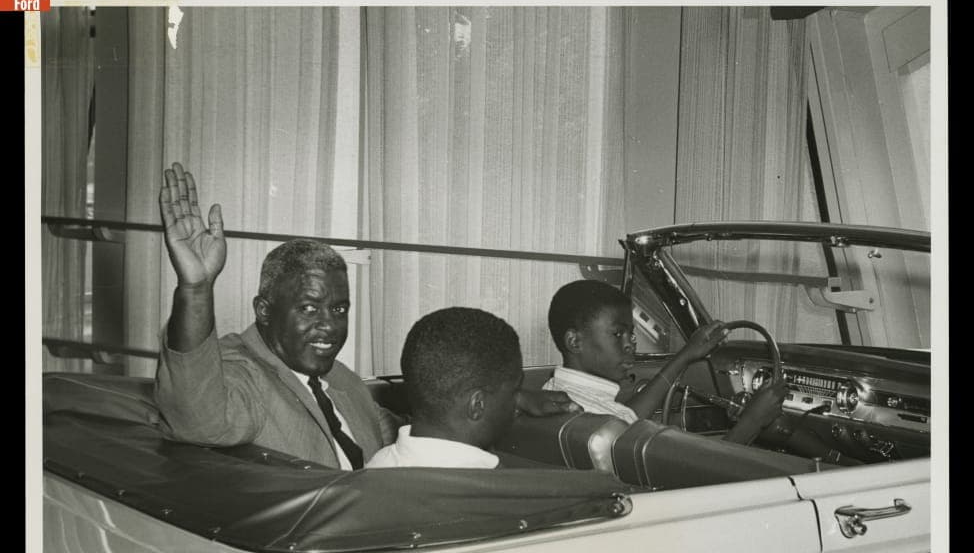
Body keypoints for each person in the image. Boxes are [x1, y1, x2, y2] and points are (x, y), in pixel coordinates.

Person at [154, 163, 576, 468]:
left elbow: (417, 433)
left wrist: (510, 397)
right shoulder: (241, 372)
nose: (329, 326)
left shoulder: (340, 380)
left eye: (339, 309)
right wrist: (196, 289)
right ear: (263, 311)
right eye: (308, 308)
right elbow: (200, 418)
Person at [544, 279, 786, 445]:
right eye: (618, 334)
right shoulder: (598, 423)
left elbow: (628, 416)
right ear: (574, 341)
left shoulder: (556, 394)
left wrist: (686, 355)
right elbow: (696, 488)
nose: (630, 344)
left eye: (632, 334)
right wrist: (752, 421)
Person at [367, 307, 522, 468]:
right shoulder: (499, 486)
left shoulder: (374, 467)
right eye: (515, 391)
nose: (517, 404)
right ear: (477, 405)